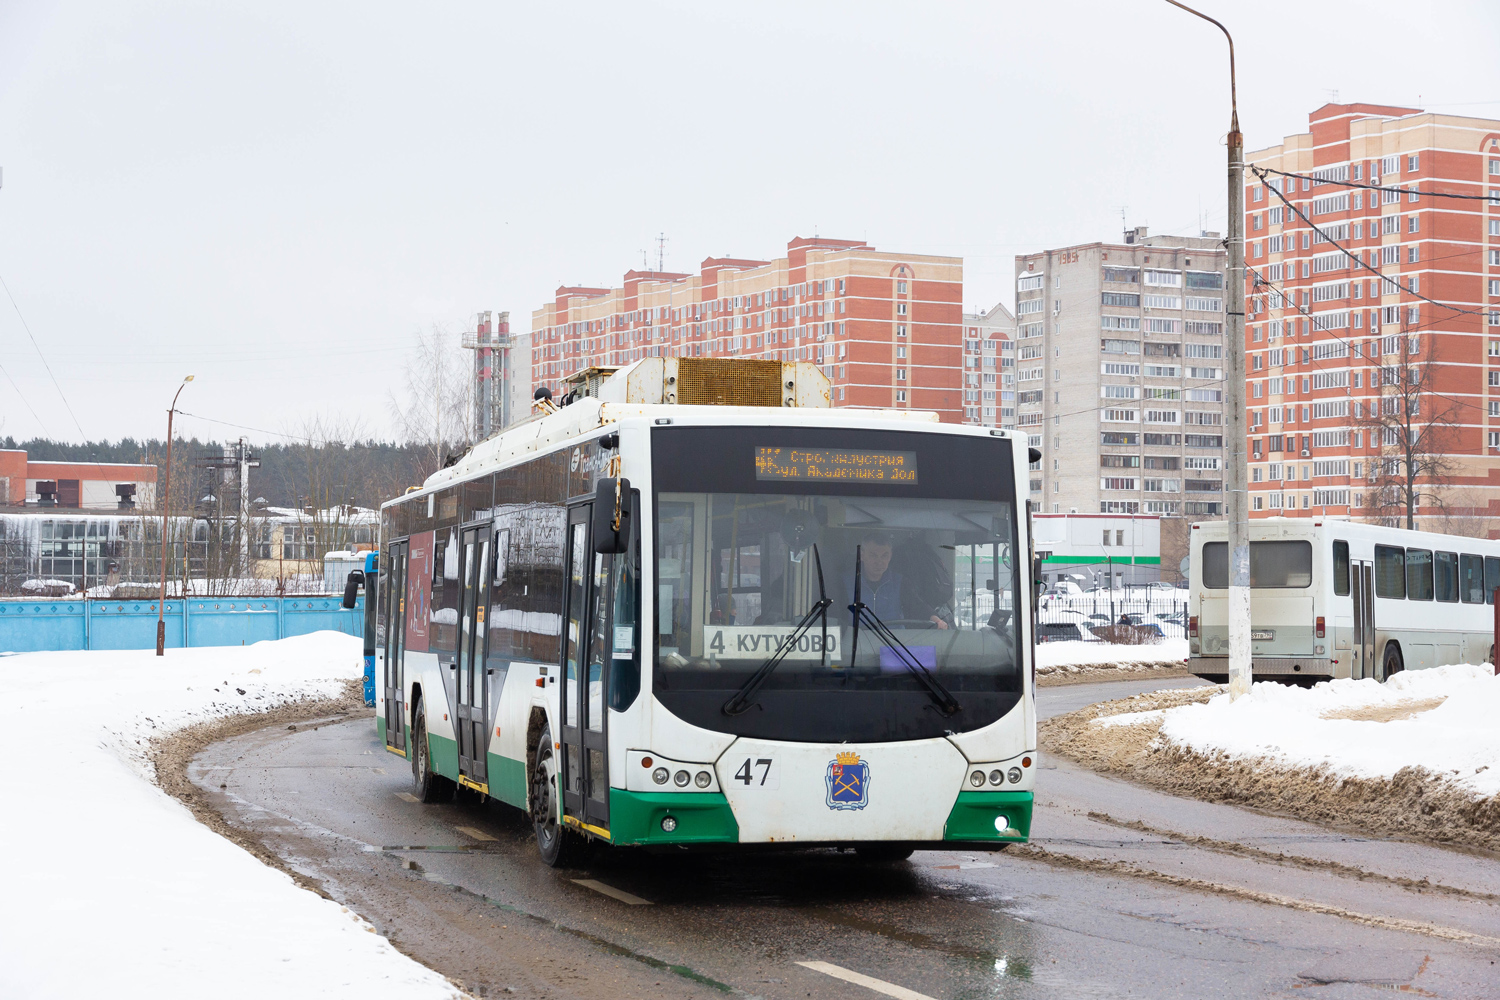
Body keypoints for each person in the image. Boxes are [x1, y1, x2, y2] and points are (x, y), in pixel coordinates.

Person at [847, 532, 948, 630]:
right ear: (862, 555)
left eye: (884, 556)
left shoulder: (900, 582)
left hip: (894, 640)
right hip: (857, 640)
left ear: (890, 556)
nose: (879, 562)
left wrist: (936, 619)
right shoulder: (846, 583)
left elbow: (917, 606)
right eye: (873, 555)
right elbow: (839, 619)